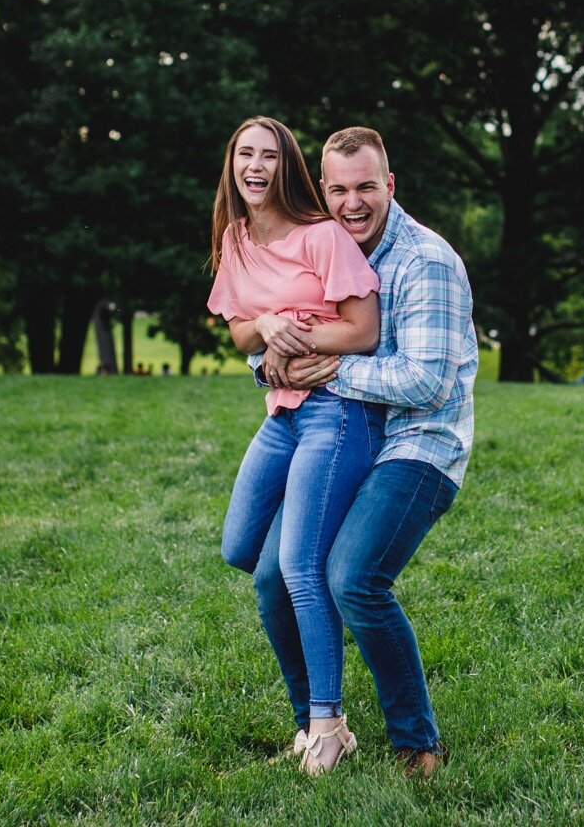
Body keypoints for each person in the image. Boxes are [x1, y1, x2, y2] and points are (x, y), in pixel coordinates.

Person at [255, 126, 477, 779]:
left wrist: (328, 369)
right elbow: (269, 333)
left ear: (391, 186)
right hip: (342, 438)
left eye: (367, 188)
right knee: (272, 578)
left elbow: (425, 383)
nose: (353, 203)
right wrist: (270, 358)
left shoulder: (425, 261)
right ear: (323, 190)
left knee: (353, 577)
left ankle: (417, 742)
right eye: (340, 189)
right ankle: (317, 726)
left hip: (418, 447)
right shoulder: (319, 249)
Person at [206, 116, 384, 775]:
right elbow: (239, 335)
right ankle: (315, 716)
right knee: (247, 556)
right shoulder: (235, 239)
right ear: (232, 165)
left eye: (268, 156)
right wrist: (271, 323)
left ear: (286, 169)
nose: (255, 166)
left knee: (298, 571)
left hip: (334, 416)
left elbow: (362, 331)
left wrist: (298, 336)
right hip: (282, 416)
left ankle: (326, 725)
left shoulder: (323, 237)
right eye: (244, 154)